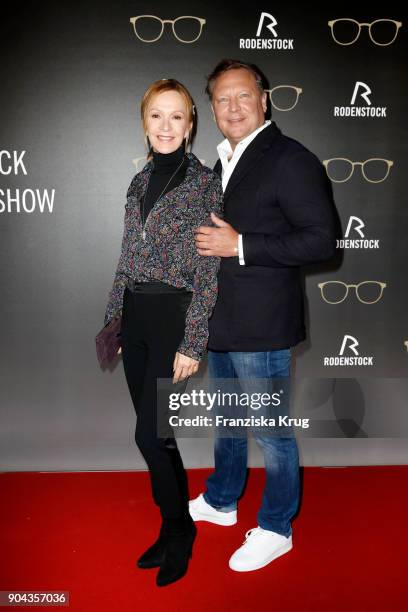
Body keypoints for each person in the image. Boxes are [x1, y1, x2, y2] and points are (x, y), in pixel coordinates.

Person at [191, 59, 336, 572]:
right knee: (227, 422)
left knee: (271, 431)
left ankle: (276, 527)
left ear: (264, 100)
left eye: (243, 96)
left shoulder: (290, 158)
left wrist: (241, 245)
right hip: (221, 321)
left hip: (264, 324)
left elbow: (323, 240)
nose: (232, 107)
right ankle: (222, 500)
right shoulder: (219, 163)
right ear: (211, 108)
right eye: (222, 100)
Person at [103, 79, 223, 586]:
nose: (166, 127)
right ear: (145, 122)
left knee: (148, 434)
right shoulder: (138, 182)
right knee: (159, 435)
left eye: (177, 117)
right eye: (157, 116)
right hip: (136, 317)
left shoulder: (204, 184)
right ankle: (176, 526)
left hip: (175, 316)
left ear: (191, 125)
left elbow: (208, 270)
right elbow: (127, 257)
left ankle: (179, 530)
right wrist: (115, 321)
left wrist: (193, 340)